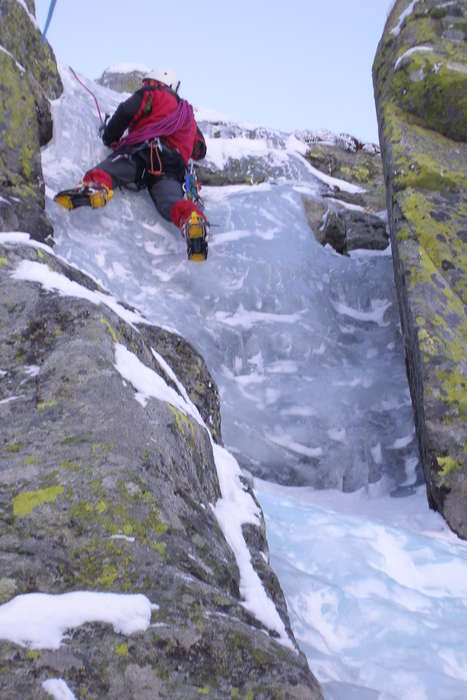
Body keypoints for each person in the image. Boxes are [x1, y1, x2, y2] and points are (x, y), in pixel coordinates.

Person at [55, 68, 209, 261]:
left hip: (143, 154)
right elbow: (200, 150)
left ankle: (96, 188)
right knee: (170, 204)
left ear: (153, 82)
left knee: (109, 170)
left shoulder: (153, 94)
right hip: (172, 169)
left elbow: (126, 111)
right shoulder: (187, 115)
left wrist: (110, 136)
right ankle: (191, 220)